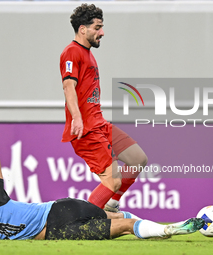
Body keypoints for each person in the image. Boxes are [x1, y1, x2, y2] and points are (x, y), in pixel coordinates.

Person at [0, 152, 204, 240]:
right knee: (117, 215)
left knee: (123, 226)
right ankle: (161, 228)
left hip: (58, 235)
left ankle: (164, 230)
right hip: (61, 210)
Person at [60, 3, 148, 212]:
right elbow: (68, 86)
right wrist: (77, 118)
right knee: (112, 181)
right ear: (83, 29)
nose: (102, 32)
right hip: (87, 130)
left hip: (100, 124)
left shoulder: (88, 53)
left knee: (138, 159)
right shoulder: (72, 52)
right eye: (98, 27)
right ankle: (82, 225)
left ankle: (111, 205)